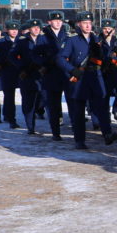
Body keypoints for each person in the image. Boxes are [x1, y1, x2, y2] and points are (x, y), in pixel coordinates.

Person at [57, 11, 117, 149]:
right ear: (79, 24)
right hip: (79, 78)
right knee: (78, 110)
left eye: (90, 23)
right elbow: (60, 59)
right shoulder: (72, 40)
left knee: (102, 107)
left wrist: (104, 51)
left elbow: (105, 59)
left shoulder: (96, 40)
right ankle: (79, 140)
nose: (88, 26)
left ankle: (107, 134)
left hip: (96, 77)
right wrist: (72, 70)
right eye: (85, 23)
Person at [39, 11, 71, 140]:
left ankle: (77, 130)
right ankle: (55, 132)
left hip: (66, 74)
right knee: (53, 106)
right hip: (51, 74)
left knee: (73, 104)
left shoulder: (68, 36)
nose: (58, 22)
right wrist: (44, 63)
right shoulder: (42, 37)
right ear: (49, 22)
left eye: (60, 20)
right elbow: (35, 55)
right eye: (55, 20)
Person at [99, 19, 117, 136]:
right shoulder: (98, 42)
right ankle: (106, 129)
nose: (108, 31)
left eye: (110, 29)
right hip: (104, 76)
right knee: (104, 103)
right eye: (105, 29)